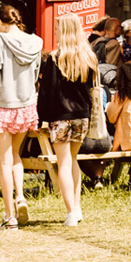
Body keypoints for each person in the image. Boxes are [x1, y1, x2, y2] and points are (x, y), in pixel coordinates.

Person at [0, 3, 44, 229]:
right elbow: (36, 72)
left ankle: (10, 216)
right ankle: (21, 197)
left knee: (5, 161)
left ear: (0, 22)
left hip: (3, 103)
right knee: (16, 156)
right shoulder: (35, 42)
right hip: (26, 104)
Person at [38, 14, 97, 226]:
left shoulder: (54, 58)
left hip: (60, 116)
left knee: (62, 163)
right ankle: (77, 206)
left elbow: (47, 92)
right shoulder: (87, 57)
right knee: (73, 160)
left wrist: (41, 117)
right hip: (82, 114)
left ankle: (71, 211)